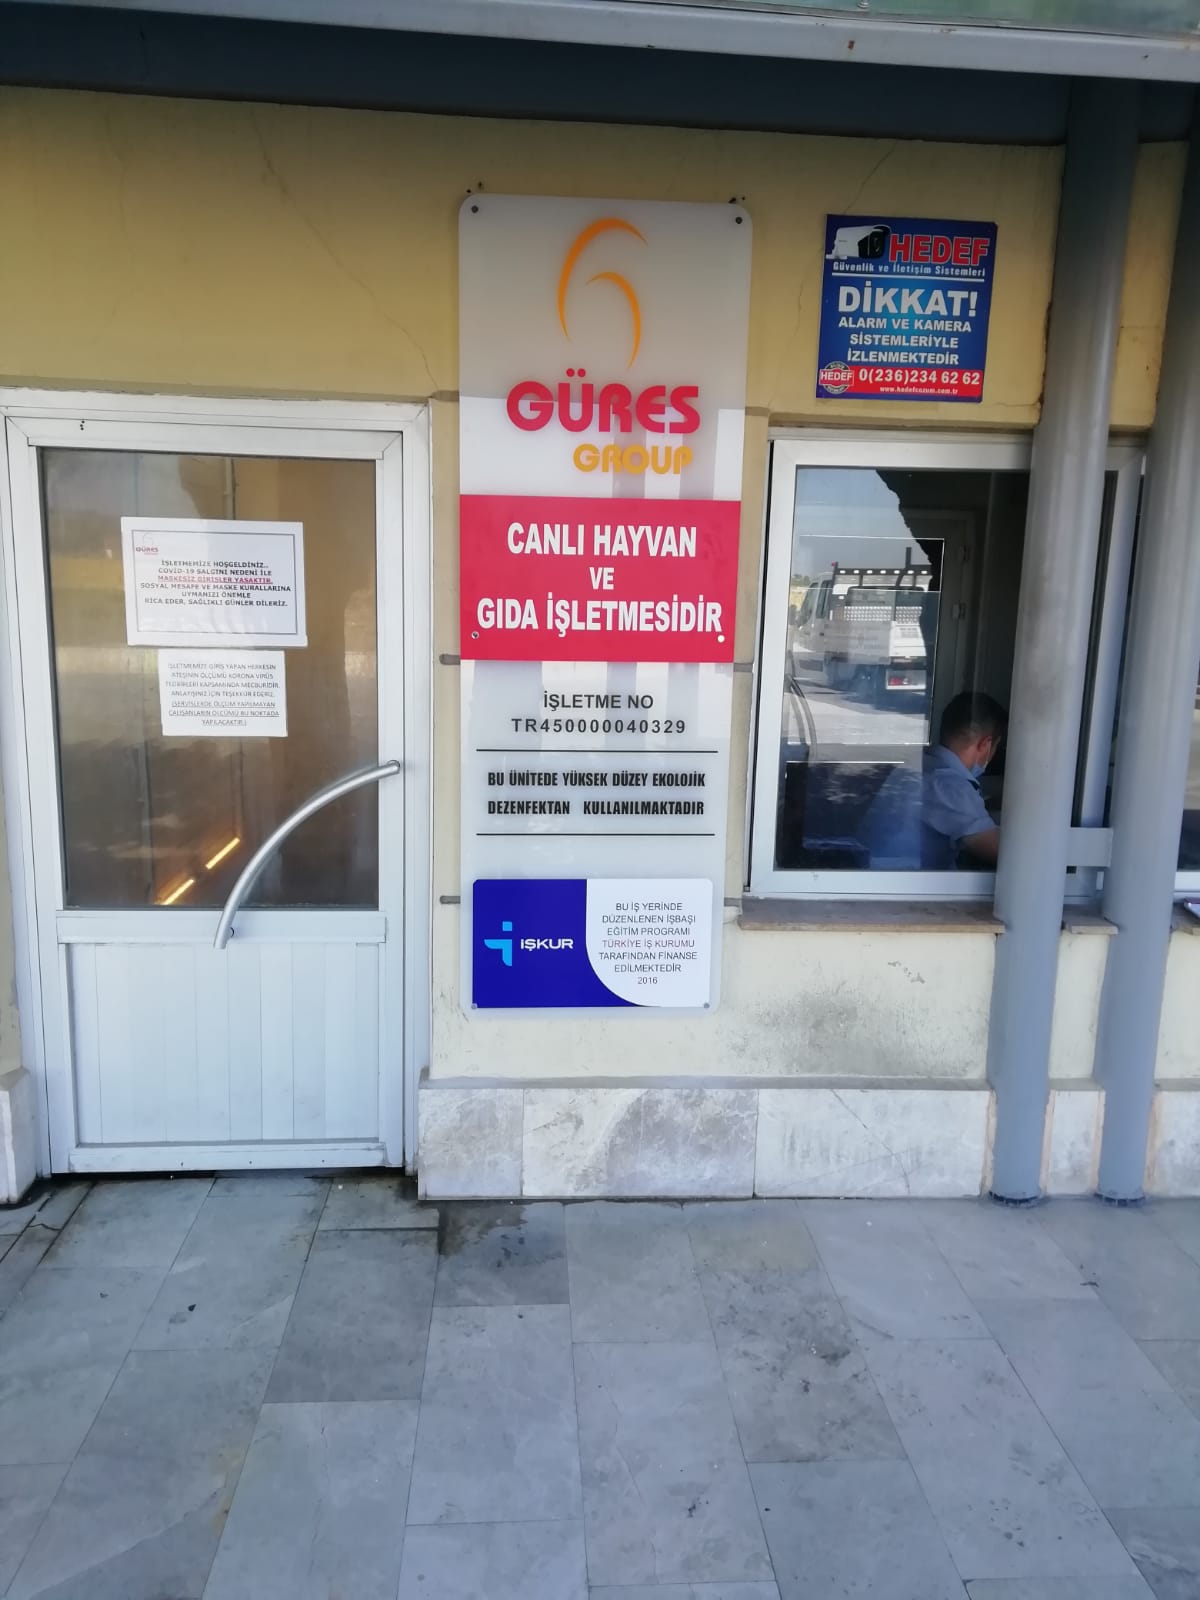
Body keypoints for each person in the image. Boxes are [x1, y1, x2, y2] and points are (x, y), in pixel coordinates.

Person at [861, 691, 1007, 869]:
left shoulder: (925, 764)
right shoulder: (948, 784)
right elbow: (1000, 851)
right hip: (904, 880)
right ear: (986, 744)